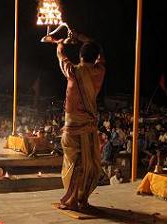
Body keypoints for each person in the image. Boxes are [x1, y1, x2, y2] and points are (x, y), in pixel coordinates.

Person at [56, 34, 105, 211]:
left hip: (74, 128)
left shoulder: (74, 72)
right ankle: (83, 199)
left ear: (81, 56)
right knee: (89, 164)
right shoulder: (100, 71)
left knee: (74, 164)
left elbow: (61, 56)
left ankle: (72, 200)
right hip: (90, 128)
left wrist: (59, 44)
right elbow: (100, 50)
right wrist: (82, 37)